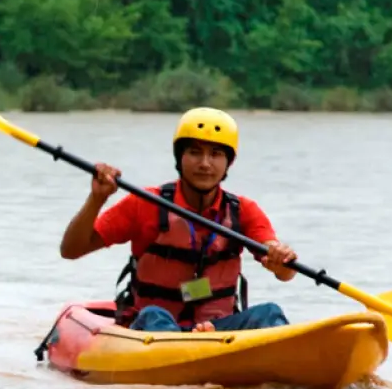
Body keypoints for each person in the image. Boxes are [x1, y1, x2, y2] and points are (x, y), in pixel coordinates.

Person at [58, 107, 299, 332]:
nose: (205, 164)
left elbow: (284, 272)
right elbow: (71, 249)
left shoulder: (243, 211)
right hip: (152, 329)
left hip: (218, 330)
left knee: (270, 312)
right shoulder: (144, 203)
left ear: (228, 163)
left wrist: (279, 257)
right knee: (153, 314)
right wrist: (96, 199)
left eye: (215, 154)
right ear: (179, 157)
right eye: (195, 152)